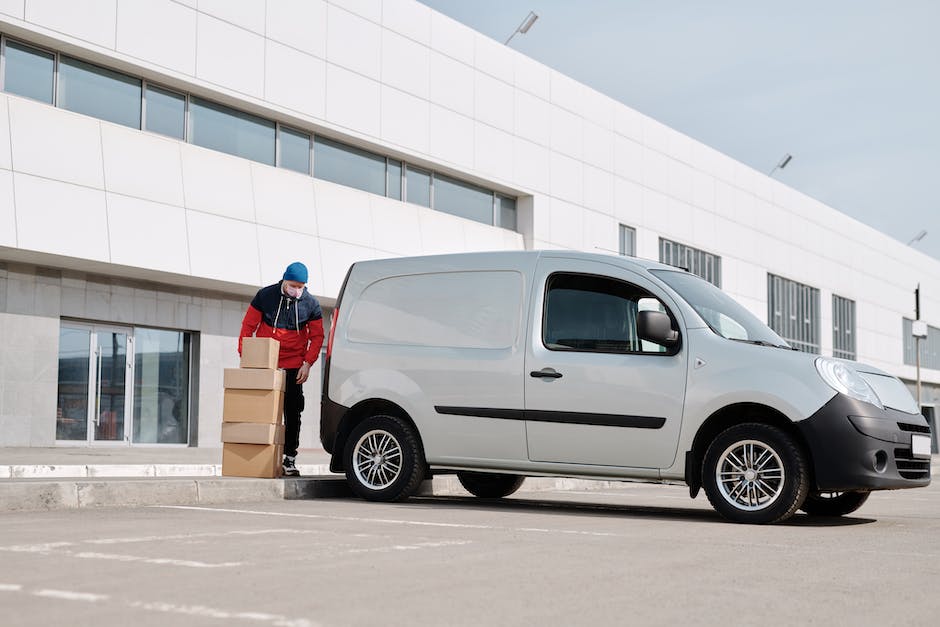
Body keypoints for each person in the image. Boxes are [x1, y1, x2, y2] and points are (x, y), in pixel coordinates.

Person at [239, 262, 324, 476]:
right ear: (284, 281)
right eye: (293, 285)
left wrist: (308, 363)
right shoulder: (265, 296)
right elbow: (248, 326)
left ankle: (289, 458)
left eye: (301, 286)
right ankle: (256, 455)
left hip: (295, 364)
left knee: (293, 412)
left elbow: (317, 337)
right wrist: (247, 355)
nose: (297, 290)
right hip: (267, 361)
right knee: (260, 410)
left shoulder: (311, 304)